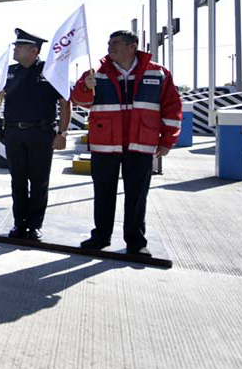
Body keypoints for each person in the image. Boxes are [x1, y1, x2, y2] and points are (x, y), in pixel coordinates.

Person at [72, 30, 182, 256]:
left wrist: (167, 141)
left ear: (133, 46)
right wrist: (85, 86)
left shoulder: (158, 73)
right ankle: (100, 236)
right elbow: (79, 101)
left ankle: (135, 241)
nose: (111, 47)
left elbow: (172, 108)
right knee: (103, 194)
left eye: (117, 43)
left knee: (137, 196)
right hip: (105, 146)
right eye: (109, 42)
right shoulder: (95, 73)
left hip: (140, 144)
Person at [0, 28, 72, 241]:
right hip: (14, 134)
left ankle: (35, 225)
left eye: (19, 47)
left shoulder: (51, 71)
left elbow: (65, 103)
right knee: (17, 181)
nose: (15, 50)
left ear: (34, 50)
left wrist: (62, 133)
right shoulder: (9, 72)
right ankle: (20, 224)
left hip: (42, 133)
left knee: (39, 182)